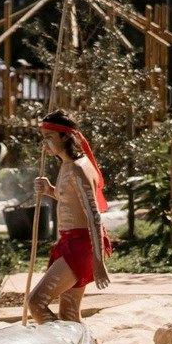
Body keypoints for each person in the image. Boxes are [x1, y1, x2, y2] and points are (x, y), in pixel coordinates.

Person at [27, 109, 111, 326]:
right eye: (43, 138)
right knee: (70, 315)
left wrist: (99, 262)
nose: (45, 144)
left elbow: (93, 216)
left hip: (82, 246)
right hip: (70, 243)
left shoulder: (78, 168)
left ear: (65, 137)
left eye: (49, 138)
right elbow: (68, 197)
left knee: (36, 303)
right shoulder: (67, 165)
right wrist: (49, 189)